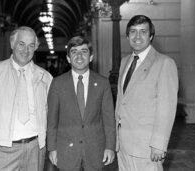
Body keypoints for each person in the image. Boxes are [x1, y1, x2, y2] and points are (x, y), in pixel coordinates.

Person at [0, 26, 53, 171]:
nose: (26, 50)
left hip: (35, 149)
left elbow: (49, 111)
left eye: (31, 45)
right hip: (3, 149)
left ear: (36, 47)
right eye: (21, 44)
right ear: (12, 44)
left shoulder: (45, 77)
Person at [115, 15, 178, 171]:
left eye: (143, 31)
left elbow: (167, 108)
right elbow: (122, 102)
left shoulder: (164, 63)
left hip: (147, 148)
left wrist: (159, 145)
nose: (137, 37)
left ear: (151, 36)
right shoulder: (125, 62)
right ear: (127, 35)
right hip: (123, 145)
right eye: (133, 31)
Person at [47, 36, 116, 171]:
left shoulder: (102, 83)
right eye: (74, 52)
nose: (79, 56)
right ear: (68, 58)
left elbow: (109, 120)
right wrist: (52, 148)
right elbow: (52, 121)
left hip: (95, 151)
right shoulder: (57, 83)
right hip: (66, 151)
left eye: (84, 51)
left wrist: (110, 147)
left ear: (91, 57)